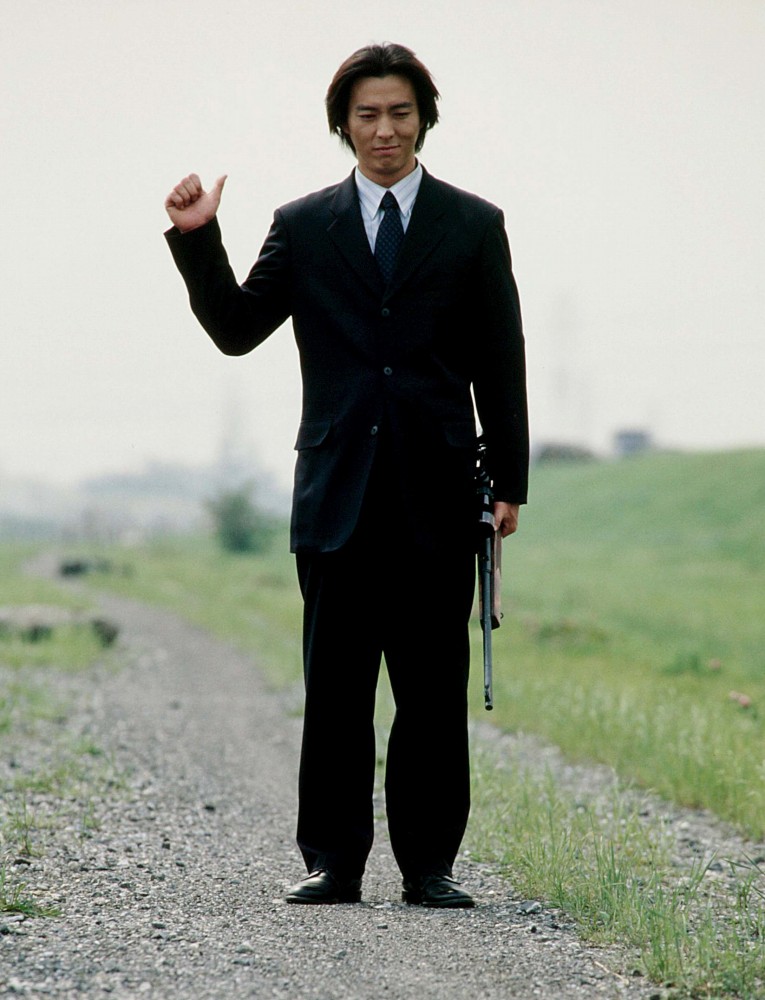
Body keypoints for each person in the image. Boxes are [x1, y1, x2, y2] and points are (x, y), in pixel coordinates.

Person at [164, 42, 528, 908]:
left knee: (431, 693)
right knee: (335, 692)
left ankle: (428, 867)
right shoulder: (303, 225)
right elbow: (237, 328)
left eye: (399, 112)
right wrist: (198, 238)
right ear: (343, 124)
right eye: (367, 114)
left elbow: (499, 358)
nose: (384, 130)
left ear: (423, 119)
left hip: (439, 492)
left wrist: (509, 480)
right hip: (335, 495)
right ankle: (333, 862)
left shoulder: (472, 224)